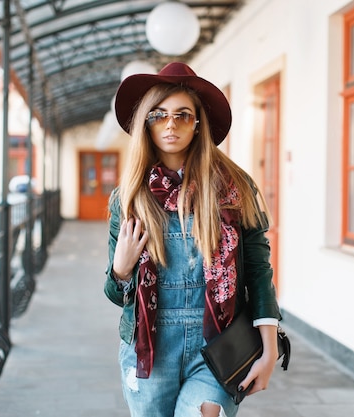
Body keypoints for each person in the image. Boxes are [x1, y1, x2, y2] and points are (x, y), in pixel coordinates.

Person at [104, 62, 282, 417]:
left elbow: (259, 271)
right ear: (147, 124)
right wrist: (120, 270)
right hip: (150, 346)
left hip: (218, 341)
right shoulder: (128, 198)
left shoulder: (235, 187)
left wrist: (269, 349)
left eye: (183, 115)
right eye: (159, 115)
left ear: (198, 123)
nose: (171, 125)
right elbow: (114, 295)